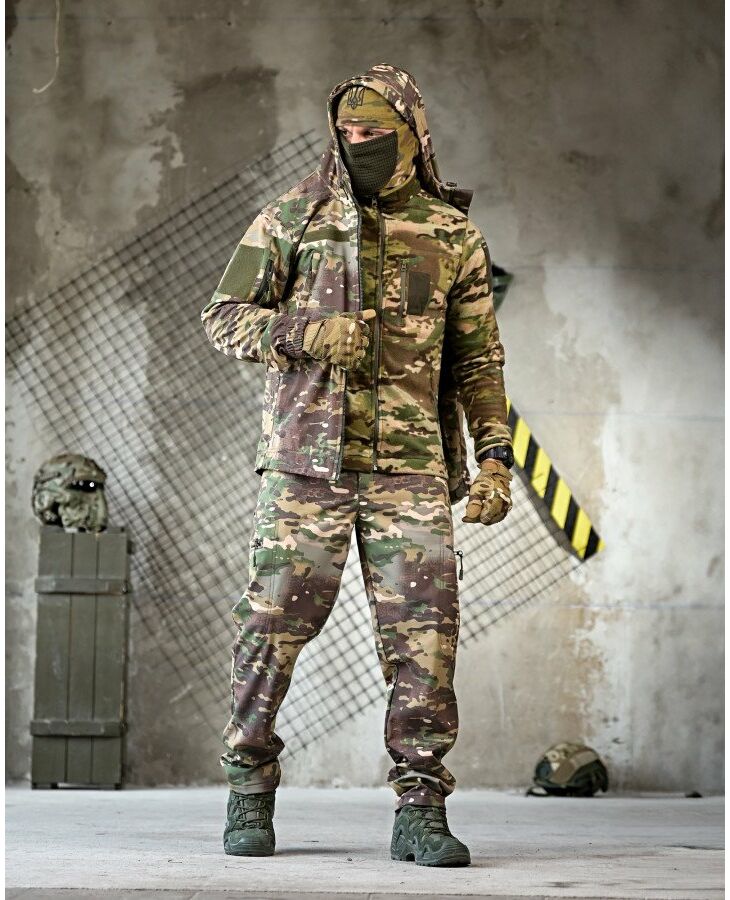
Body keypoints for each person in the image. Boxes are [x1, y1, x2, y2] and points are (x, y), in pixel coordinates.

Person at [200, 62, 514, 867]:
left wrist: (495, 460)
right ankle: (249, 785)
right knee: (271, 627)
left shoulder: (452, 236)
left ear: (413, 133)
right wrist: (303, 333)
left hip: (410, 470)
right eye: (348, 129)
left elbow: (478, 363)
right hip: (305, 468)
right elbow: (223, 316)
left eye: (376, 130)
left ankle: (420, 810)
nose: (359, 141)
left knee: (426, 639)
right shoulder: (292, 218)